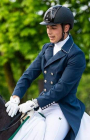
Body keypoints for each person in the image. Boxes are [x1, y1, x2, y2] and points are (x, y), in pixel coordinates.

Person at [5, 5, 86, 140]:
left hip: (62, 109)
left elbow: (62, 88)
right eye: (47, 27)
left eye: (53, 27)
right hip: (43, 105)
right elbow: (28, 74)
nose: (49, 31)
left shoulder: (76, 55)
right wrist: (15, 97)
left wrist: (34, 103)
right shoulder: (47, 48)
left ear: (66, 28)